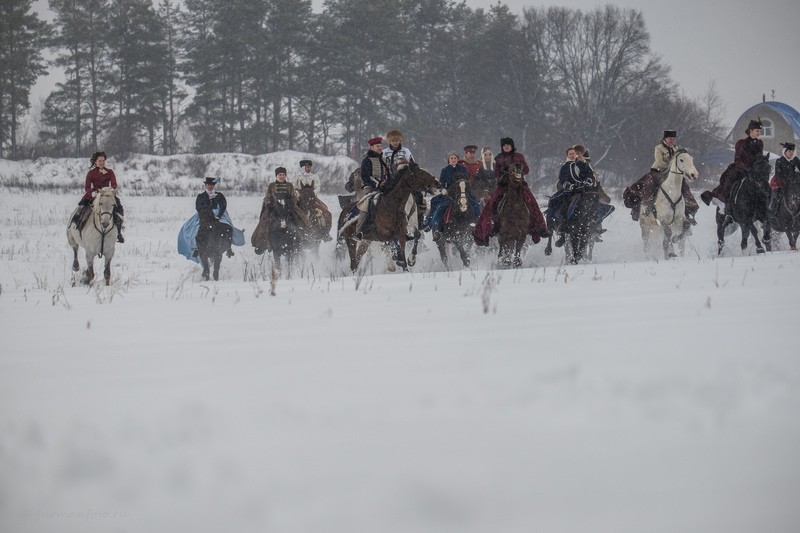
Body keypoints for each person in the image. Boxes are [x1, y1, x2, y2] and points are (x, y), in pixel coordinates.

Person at [473, 137, 548, 245]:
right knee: (491, 203)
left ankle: (539, 227)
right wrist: (503, 173)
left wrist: (520, 170)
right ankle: (490, 227)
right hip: (504, 185)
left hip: (519, 185)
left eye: (508, 145)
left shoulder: (519, 156)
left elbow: (526, 170)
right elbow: (496, 173)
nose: (506, 147)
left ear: (512, 146)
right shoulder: (499, 158)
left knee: (531, 202)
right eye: (504, 145)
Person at [625, 130, 698, 224]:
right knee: (649, 185)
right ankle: (648, 205)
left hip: (673, 173)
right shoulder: (659, 148)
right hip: (659, 171)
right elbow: (659, 161)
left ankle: (689, 210)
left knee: (684, 187)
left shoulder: (677, 149)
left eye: (673, 139)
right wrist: (671, 166)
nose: (672, 141)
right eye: (670, 139)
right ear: (665, 139)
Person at [701, 119, 764, 209]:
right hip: (740, 169)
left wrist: (758, 168)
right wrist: (747, 168)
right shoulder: (741, 143)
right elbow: (737, 159)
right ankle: (726, 204)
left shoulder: (760, 143)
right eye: (757, 131)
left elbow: (760, 158)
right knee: (729, 184)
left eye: (760, 131)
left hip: (754, 172)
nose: (759, 133)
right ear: (751, 131)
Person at [425, 152, 480, 240]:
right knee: (440, 206)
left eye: (455, 158)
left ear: (457, 159)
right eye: (451, 158)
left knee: (475, 204)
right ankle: (434, 226)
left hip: (463, 193)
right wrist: (443, 189)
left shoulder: (463, 169)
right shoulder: (445, 170)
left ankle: (478, 224)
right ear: (449, 160)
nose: (453, 160)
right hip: (450, 194)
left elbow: (467, 181)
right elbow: (442, 183)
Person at [72, 151, 125, 243]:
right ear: (95, 162)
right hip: (94, 195)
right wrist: (92, 192)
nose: (101, 162)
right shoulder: (91, 173)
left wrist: (111, 190)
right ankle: (78, 227)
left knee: (119, 208)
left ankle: (119, 233)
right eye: (99, 161)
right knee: (82, 208)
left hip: (107, 195)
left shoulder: (110, 172)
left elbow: (114, 184)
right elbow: (87, 187)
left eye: (103, 160)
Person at [382, 129, 425, 229]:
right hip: (390, 181)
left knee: (418, 196)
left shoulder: (406, 151)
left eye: (397, 140)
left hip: (406, 181)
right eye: (393, 140)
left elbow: (413, 165)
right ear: (389, 141)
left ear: (400, 141)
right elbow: (382, 167)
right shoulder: (384, 152)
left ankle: (420, 219)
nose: (395, 142)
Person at [355, 137, 392, 239]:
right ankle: (360, 230)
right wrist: (377, 184)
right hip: (371, 188)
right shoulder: (367, 160)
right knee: (367, 204)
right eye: (377, 146)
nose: (380, 148)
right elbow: (365, 176)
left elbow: (389, 174)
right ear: (372, 147)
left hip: (386, 188)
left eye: (380, 146)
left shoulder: (384, 160)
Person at [194, 176, 234, 257]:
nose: (210, 187)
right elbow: (198, 207)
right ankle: (197, 248)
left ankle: (228, 248)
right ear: (206, 186)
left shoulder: (219, 195)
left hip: (219, 215)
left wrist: (218, 216)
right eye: (208, 185)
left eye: (212, 185)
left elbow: (223, 206)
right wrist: (207, 213)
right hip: (204, 216)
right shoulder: (201, 196)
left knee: (229, 228)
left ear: (214, 186)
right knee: (196, 229)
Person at [769, 142, 800, 218]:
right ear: (785, 152)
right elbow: (778, 175)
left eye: (792, 151)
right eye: (789, 151)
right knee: (776, 196)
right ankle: (771, 213)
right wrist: (786, 181)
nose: (791, 153)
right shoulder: (780, 161)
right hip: (781, 182)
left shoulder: (795, 159)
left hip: (794, 182)